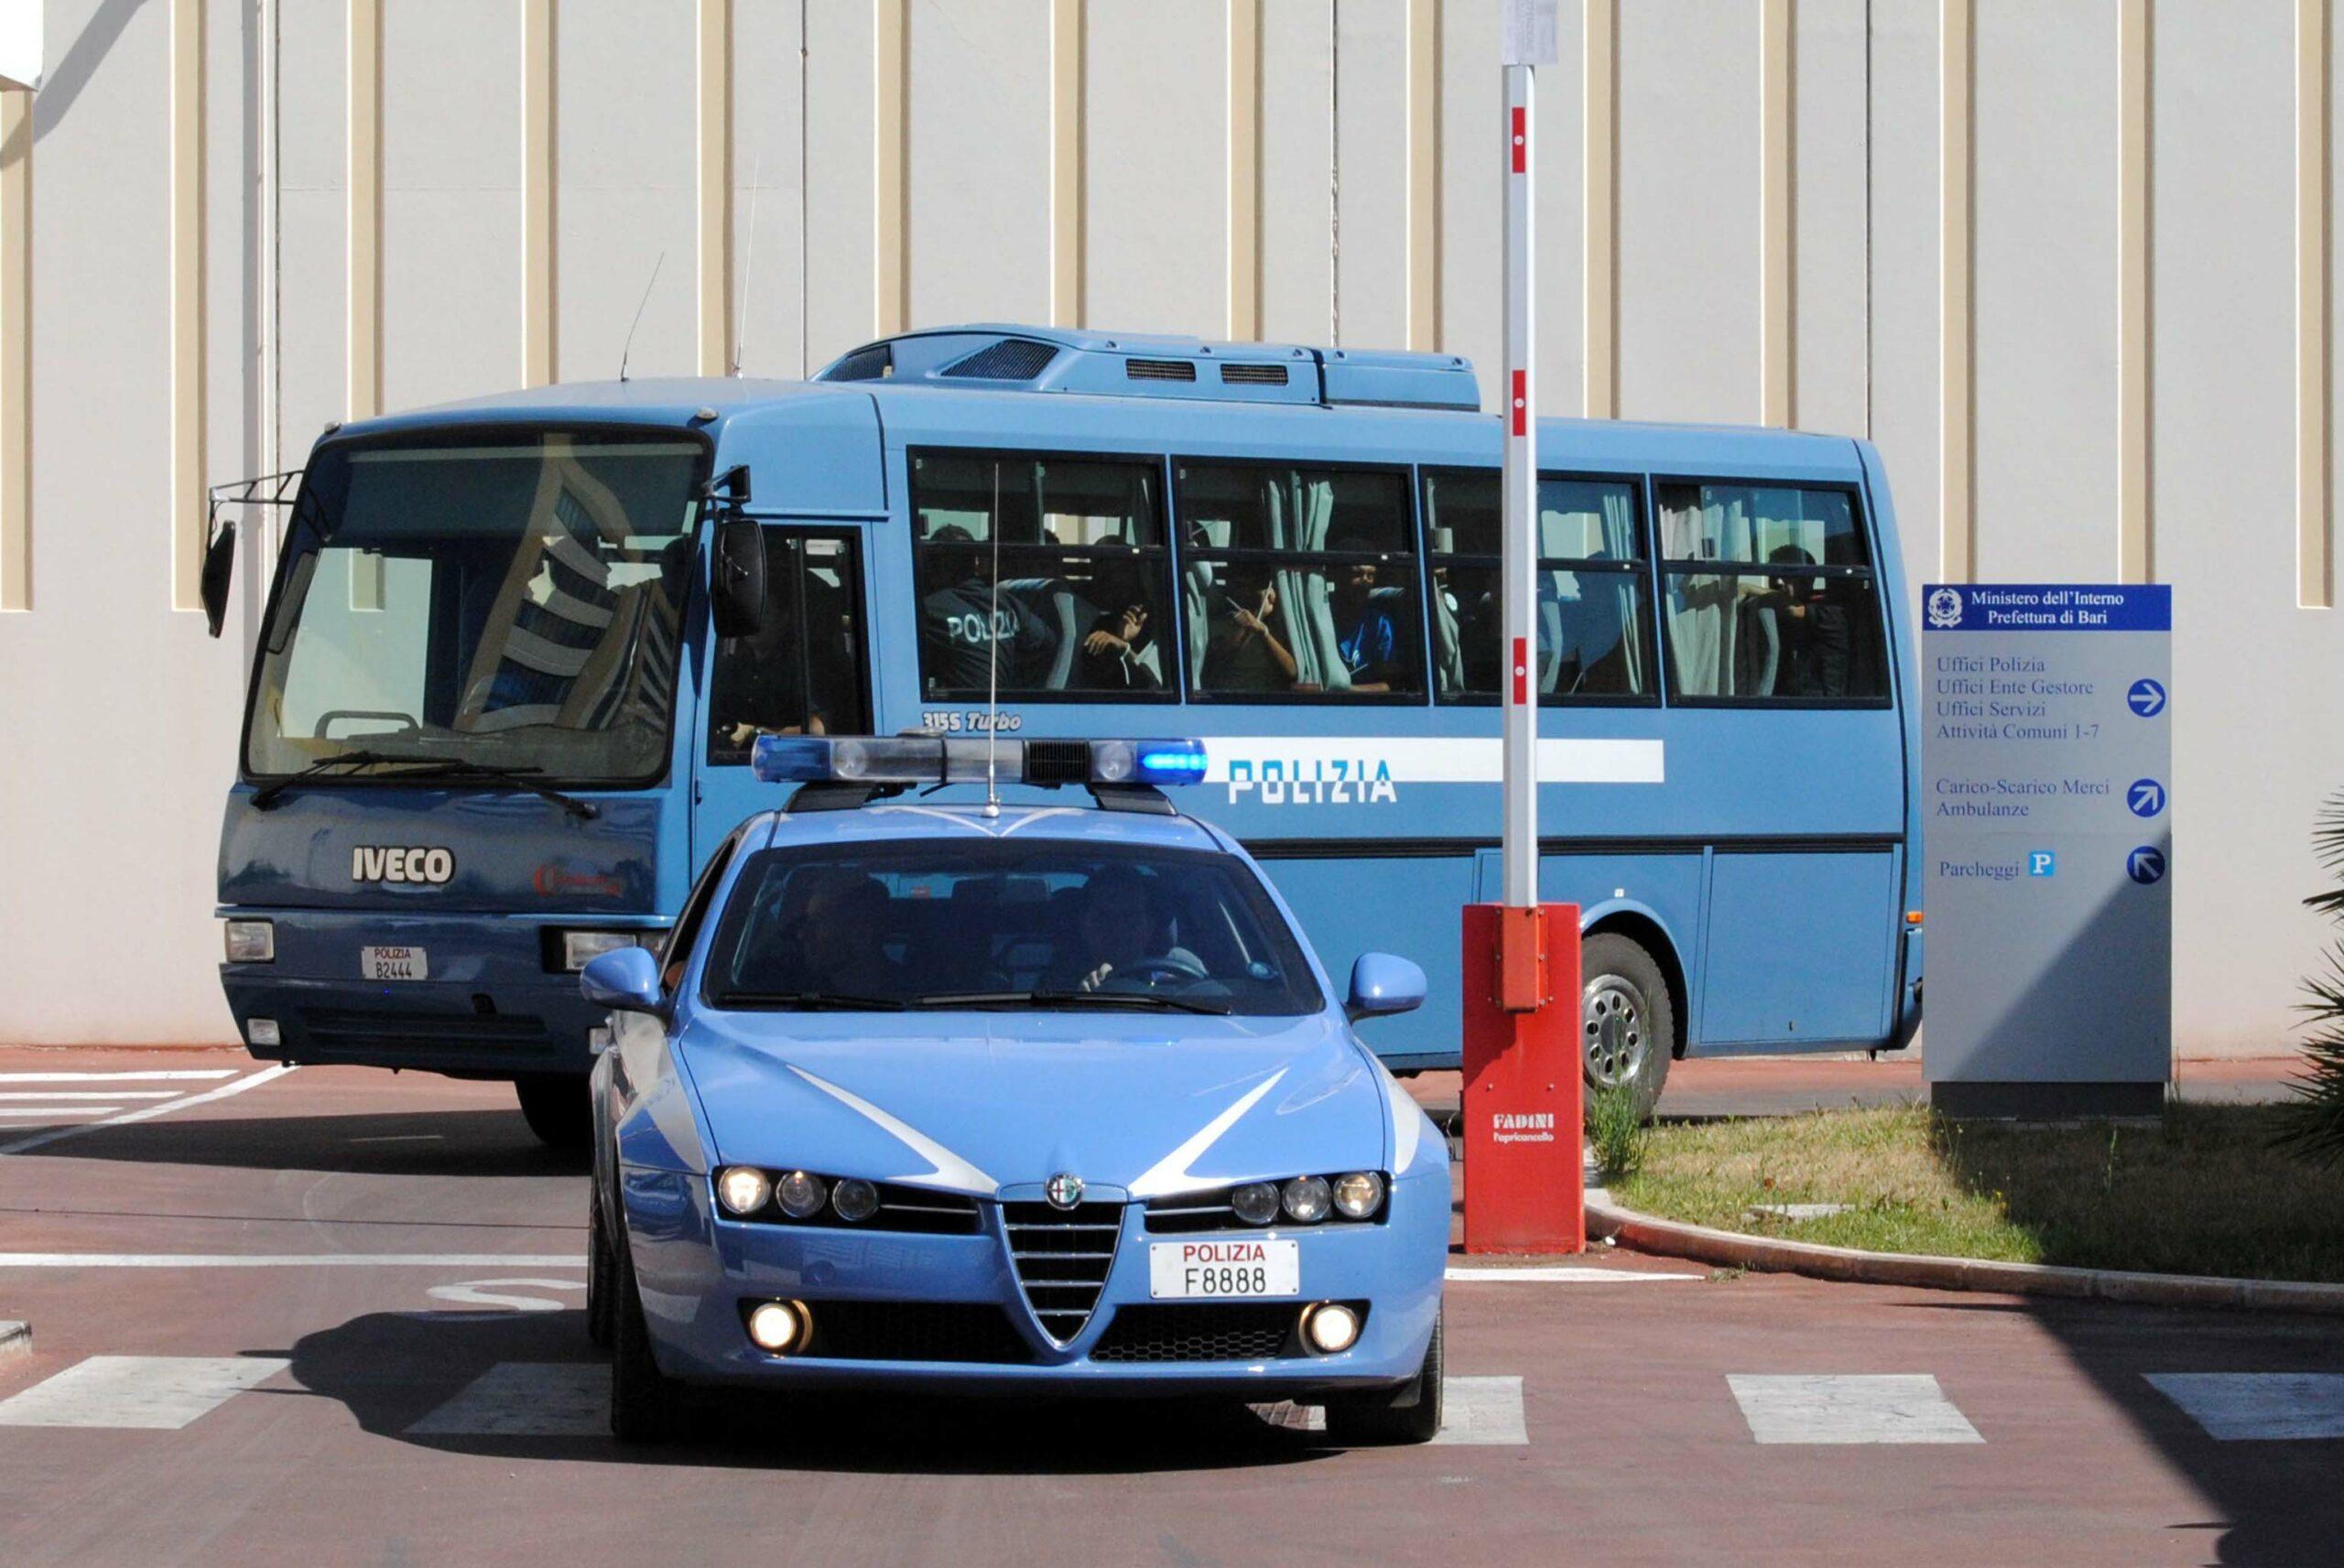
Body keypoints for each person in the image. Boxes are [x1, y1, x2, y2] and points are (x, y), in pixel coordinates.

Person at [1047, 866, 1200, 993]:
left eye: (1130, 916)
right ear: (1083, 924)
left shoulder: (1183, 970)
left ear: (1150, 925)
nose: (1117, 927)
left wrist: (1183, 994)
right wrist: (1076, 1002)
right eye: (1104, 916)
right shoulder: (1057, 982)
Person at [1201, 574, 1297, 692]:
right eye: (1240, 585)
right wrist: (1258, 617)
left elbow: (1291, 671)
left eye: (1252, 586)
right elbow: (1222, 660)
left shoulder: (1281, 623)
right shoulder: (1223, 617)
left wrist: (1264, 633)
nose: (1245, 591)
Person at [1330, 561, 1405, 693]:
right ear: (1339, 577)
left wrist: (1348, 690)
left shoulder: (1380, 623)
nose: (1365, 580)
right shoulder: (1323, 617)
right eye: (1357, 574)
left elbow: (1388, 684)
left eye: (1370, 575)